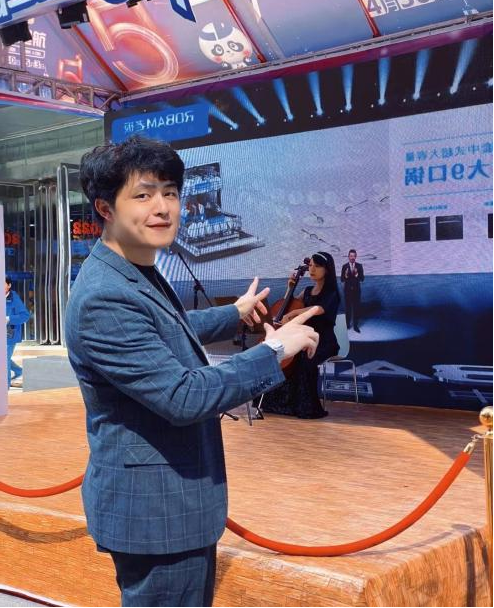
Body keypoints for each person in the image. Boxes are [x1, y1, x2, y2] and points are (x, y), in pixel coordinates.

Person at [64, 135, 320, 608]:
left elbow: (165, 327)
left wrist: (234, 314)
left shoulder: (131, 269)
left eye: (170, 193)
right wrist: (274, 351)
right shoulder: (105, 296)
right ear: (105, 208)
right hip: (156, 512)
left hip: (168, 503)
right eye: (143, 195)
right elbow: (184, 397)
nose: (163, 208)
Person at [260, 252, 340, 419]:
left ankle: (307, 407)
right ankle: (283, 405)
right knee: (285, 355)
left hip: (324, 342)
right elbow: (289, 305)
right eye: (310, 265)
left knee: (305, 359)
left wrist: (294, 313)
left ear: (327, 269)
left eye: (317, 266)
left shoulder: (332, 293)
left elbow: (317, 309)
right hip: (304, 339)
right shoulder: (307, 291)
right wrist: (290, 288)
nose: (312, 269)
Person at [5, 276, 30, 388]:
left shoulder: (14, 298)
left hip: (9, 335)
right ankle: (19, 371)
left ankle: (5, 387)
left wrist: (9, 318)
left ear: (9, 285)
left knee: (4, 360)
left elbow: (25, 316)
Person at [341, 249, 364, 333]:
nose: (352, 257)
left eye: (354, 256)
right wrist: (345, 276)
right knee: (348, 308)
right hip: (347, 291)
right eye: (351, 256)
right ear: (348, 257)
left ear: (356, 257)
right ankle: (347, 325)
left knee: (356, 308)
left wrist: (357, 274)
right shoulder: (344, 266)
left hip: (356, 291)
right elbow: (342, 279)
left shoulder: (359, 266)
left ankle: (355, 326)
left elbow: (362, 279)